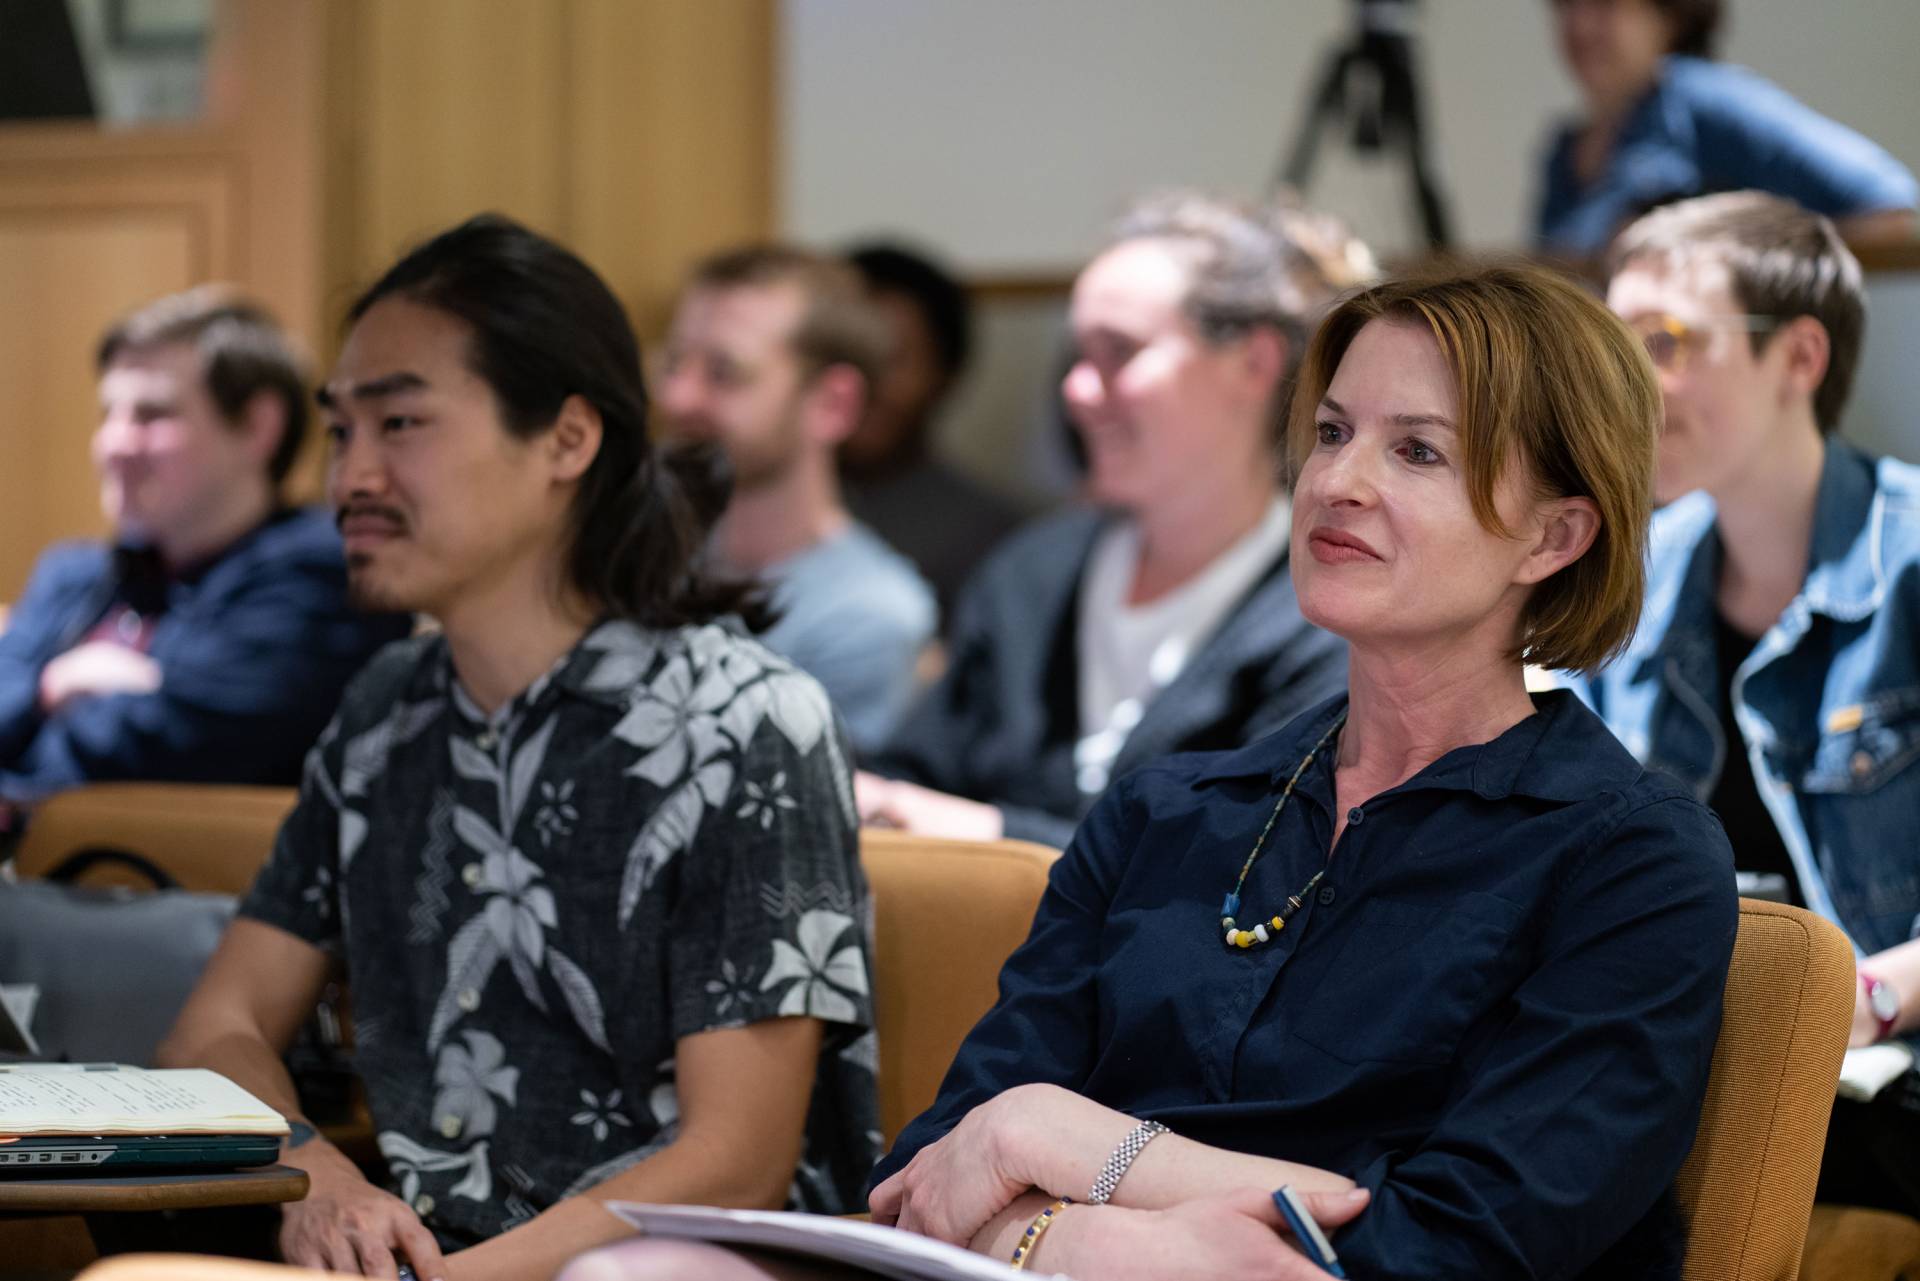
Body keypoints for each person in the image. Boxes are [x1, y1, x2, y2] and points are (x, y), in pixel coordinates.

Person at [566, 264, 1739, 1281]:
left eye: (1417, 450)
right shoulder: (1168, 807)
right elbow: (933, 1173)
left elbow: (1458, 1248)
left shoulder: (1628, 854)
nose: (1338, 482)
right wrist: (1092, 1236)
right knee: (636, 1267)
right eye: (1331, 432)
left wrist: (1069, 1158)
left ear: (1554, 537)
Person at [157, 215, 879, 1280]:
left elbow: (735, 1166)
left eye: (400, 423)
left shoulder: (746, 719)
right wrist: (316, 1176)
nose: (350, 477)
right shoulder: (387, 709)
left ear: (568, 441)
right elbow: (213, 1026)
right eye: (341, 432)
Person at [1581, 190, 1920, 1215]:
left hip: (1879, 1071)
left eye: (1668, 342)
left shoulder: (1907, 560)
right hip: (1677, 1054)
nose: (1630, 384)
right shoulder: (1625, 576)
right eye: (1614, 345)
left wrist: (1860, 1003)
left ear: (1800, 359)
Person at [856, 194, 1361, 849]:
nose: (1077, 390)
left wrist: (992, 833)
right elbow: (912, 777)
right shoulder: (1030, 577)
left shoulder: (1324, 617)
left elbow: (1246, 871)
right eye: (1077, 355)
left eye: (1118, 352)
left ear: (1254, 364)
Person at [0, 287, 408, 828]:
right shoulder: (71, 573)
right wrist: (58, 685)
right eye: (109, 412)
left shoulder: (325, 571)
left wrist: (29, 740)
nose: (113, 443)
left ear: (258, 426)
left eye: (151, 413)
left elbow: (175, 754)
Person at [657, 246, 936, 754]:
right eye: (675, 363)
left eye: (723, 372)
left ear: (833, 404)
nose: (677, 397)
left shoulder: (869, 613)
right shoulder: (639, 558)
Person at [1537, 0, 1916, 261]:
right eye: (1566, 4)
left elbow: (1893, 208)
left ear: (1668, 15)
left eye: (1606, 4)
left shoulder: (1700, 98)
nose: (1579, 25)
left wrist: (1727, 259)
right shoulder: (1564, 149)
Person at [839, 242, 1027, 615]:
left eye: (894, 360)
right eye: (848, 356)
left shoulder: (991, 536)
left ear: (947, 374)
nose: (865, 385)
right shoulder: (749, 514)